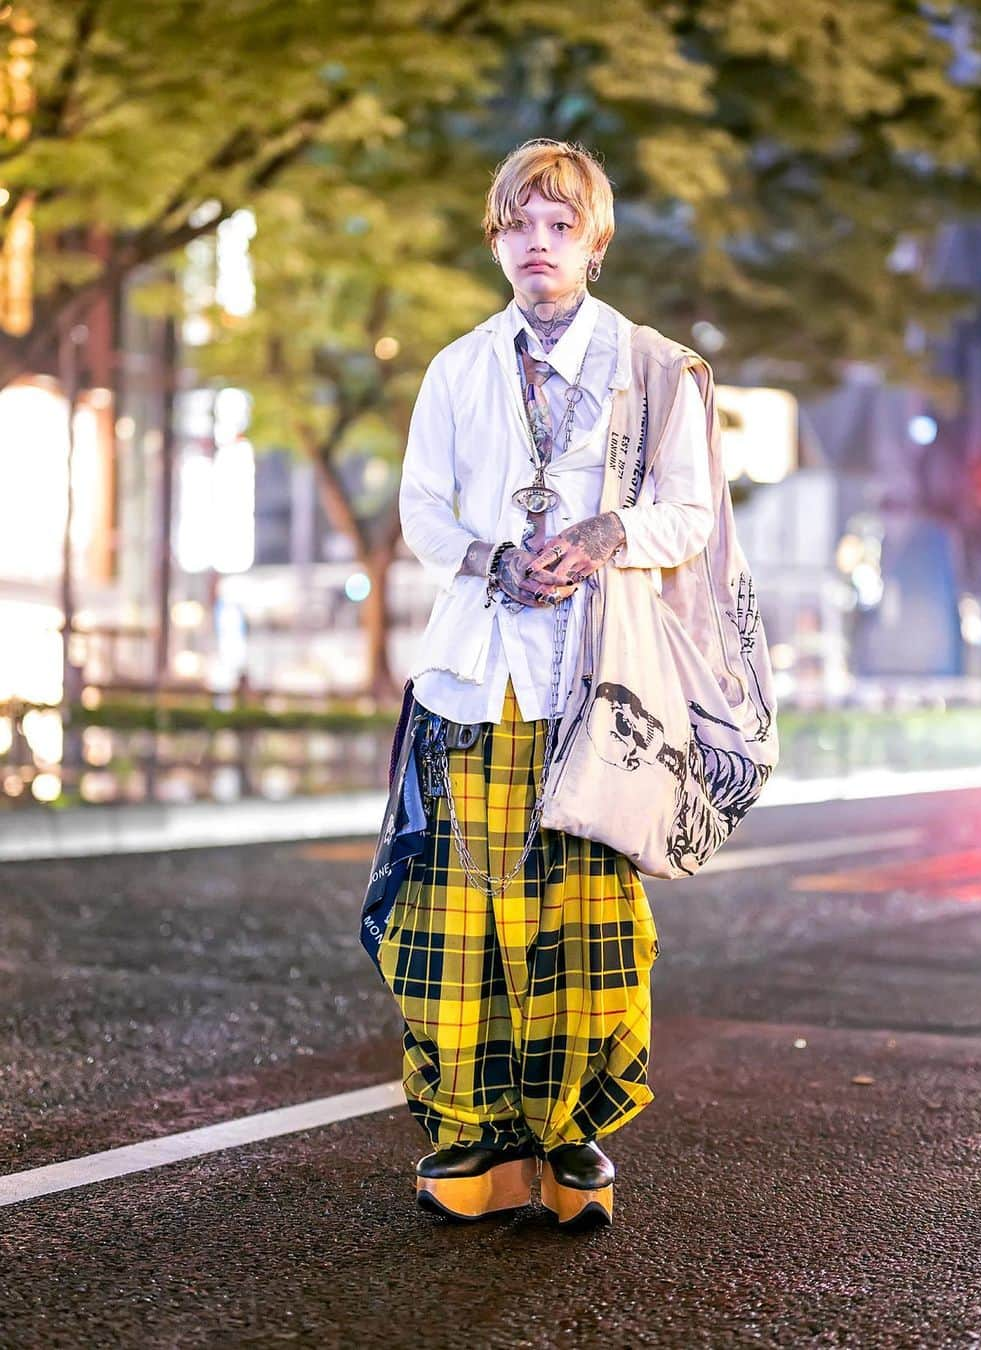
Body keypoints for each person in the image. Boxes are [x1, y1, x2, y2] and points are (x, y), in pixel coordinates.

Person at [377, 137, 716, 1232]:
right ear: (495, 238)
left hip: (595, 693)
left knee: (586, 921)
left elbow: (694, 518)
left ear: (594, 242)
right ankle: (473, 1136)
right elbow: (423, 511)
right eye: (519, 224)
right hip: (473, 681)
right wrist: (493, 559)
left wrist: (611, 529)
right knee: (456, 915)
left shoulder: (653, 368)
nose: (537, 243)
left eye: (559, 225)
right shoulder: (457, 367)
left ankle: (570, 1136)